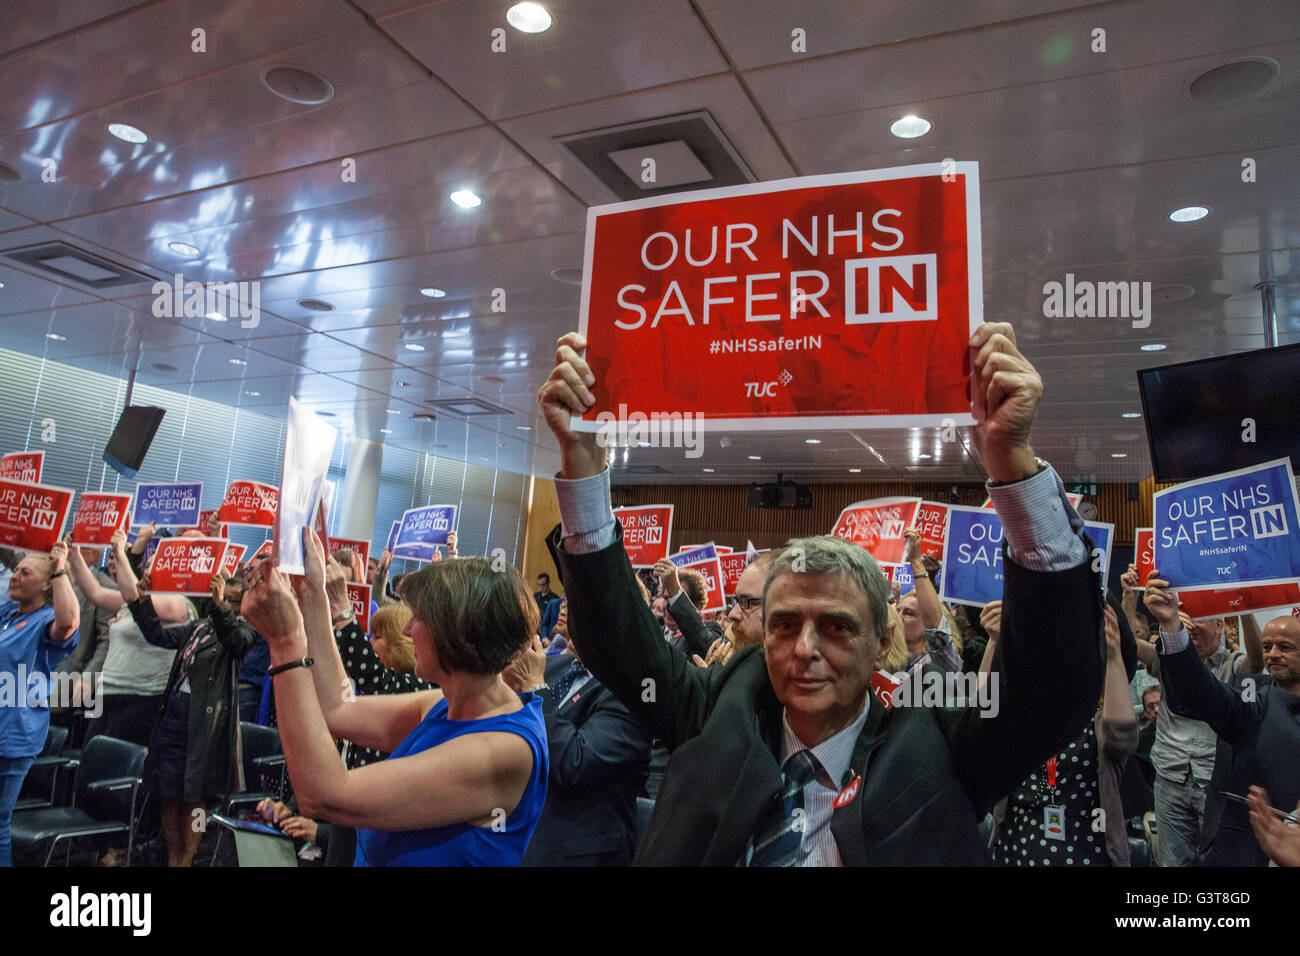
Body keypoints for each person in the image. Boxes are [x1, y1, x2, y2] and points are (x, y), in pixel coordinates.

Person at [536, 323, 1104, 865]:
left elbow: (1053, 688)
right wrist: (582, 466)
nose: (804, 647)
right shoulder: (725, 705)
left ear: (882, 639)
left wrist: (1011, 464)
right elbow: (617, 642)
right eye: (784, 624)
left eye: (836, 626)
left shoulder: (936, 734)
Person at [240, 528, 548, 866]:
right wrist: (314, 596)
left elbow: (324, 795)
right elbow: (339, 707)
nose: (406, 629)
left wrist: (286, 643)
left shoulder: (502, 749)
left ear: (456, 633)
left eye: (419, 617)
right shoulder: (451, 703)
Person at [113, 530, 257, 867]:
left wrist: (221, 606)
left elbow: (235, 640)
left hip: (204, 728)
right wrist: (142, 598)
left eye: (234, 600)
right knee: (169, 794)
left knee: (195, 800)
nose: (228, 604)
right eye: (224, 598)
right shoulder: (198, 627)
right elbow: (156, 634)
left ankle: (187, 859)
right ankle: (174, 858)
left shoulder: (244, 630)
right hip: (175, 719)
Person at [1145, 577, 1300, 866]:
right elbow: (1205, 696)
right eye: (1267, 647)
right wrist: (1172, 627)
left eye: (1285, 647)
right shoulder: (1257, 700)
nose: (1273, 655)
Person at [989, 606, 1138, 866]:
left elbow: (1123, 736)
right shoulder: (1020, 713)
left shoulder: (1097, 718)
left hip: (1084, 854)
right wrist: (994, 642)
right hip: (1013, 852)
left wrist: (1114, 655)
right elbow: (981, 718)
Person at [503, 631, 651, 866]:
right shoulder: (554, 664)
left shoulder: (635, 693)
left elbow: (574, 762)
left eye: (580, 609)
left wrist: (534, 687)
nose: (569, 617)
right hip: (516, 820)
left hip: (575, 848)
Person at [0, 542, 79, 867]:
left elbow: (69, 620)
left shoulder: (47, 620)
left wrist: (59, 566)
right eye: (16, 570)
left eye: (25, 572)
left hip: (12, 737)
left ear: (48, 583)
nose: (15, 576)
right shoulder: (10, 612)